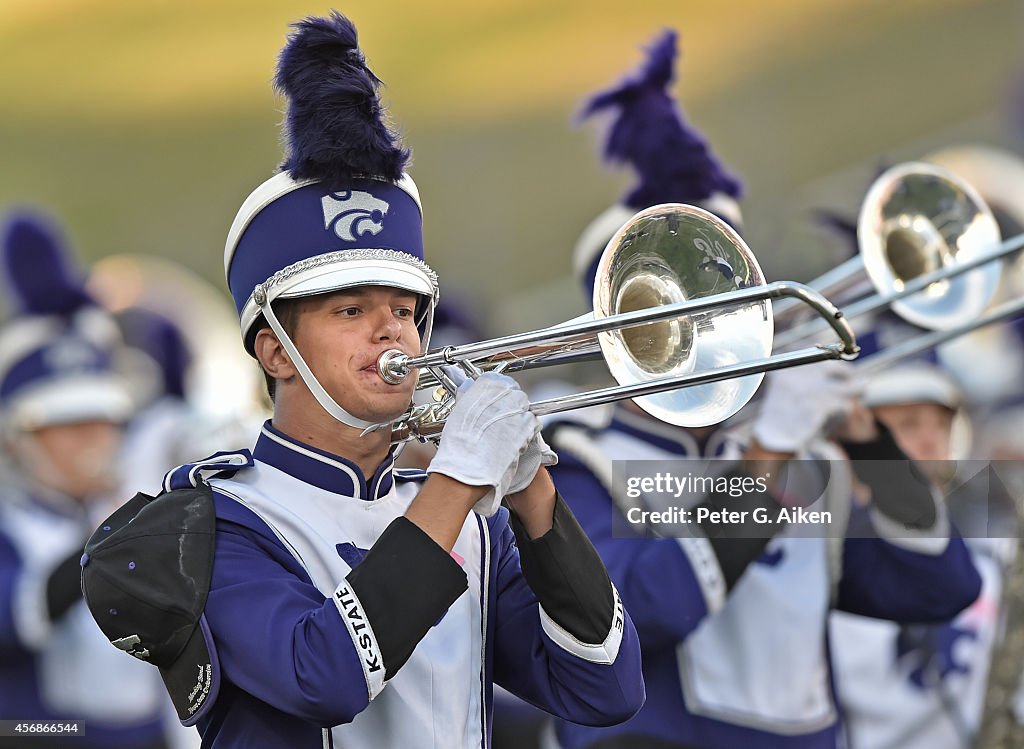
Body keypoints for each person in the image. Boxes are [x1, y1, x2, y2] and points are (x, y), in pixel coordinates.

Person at [80, 12, 644, 749]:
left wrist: (532, 491)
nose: (392, 332)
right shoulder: (216, 523)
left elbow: (605, 689)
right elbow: (323, 676)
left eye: (406, 310)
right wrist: (456, 479)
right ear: (275, 351)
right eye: (351, 309)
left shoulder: (472, 525)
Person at [544, 30, 982, 749]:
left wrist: (866, 441)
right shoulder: (576, 456)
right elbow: (631, 614)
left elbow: (942, 585)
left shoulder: (799, 450)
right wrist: (765, 459)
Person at [0, 211, 194, 749]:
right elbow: (16, 619)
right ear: (17, 438)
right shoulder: (12, 528)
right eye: (66, 425)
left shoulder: (118, 508)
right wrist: (118, 529)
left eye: (103, 422)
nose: (94, 441)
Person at [830, 361, 1016, 749]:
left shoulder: (994, 558)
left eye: (941, 425)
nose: (933, 441)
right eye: (910, 426)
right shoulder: (824, 555)